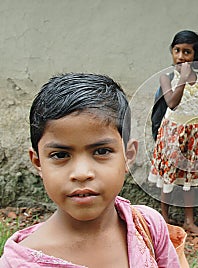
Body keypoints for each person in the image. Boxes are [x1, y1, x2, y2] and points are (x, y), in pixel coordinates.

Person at [0, 73, 180, 267]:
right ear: (37, 162)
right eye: (60, 155)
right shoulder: (18, 263)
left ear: (128, 156)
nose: (82, 173)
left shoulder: (148, 227)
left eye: (102, 151)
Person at [148, 30, 198, 238]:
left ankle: (189, 221)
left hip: (194, 134)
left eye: (187, 52)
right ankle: (164, 220)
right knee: (168, 179)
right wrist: (183, 80)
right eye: (177, 51)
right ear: (171, 52)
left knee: (190, 178)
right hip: (172, 134)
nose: (181, 56)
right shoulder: (167, 78)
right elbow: (172, 104)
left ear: (196, 56)